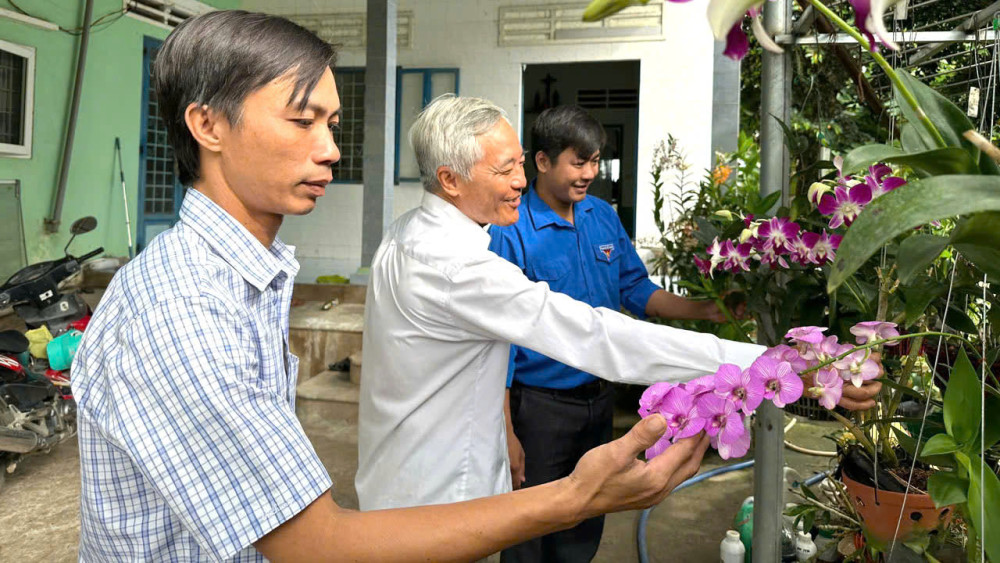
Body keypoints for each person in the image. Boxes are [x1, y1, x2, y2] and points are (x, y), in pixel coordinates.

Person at [70, 11, 714, 562]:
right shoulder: (184, 307)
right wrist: (574, 497)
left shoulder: (249, 281)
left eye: (333, 124)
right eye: (302, 122)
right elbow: (314, 543)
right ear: (208, 126)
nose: (330, 150)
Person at [488, 105, 883, 562]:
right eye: (579, 162)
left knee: (585, 518)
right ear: (542, 161)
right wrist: (507, 431)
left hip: (598, 400)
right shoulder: (511, 231)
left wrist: (707, 312)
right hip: (540, 408)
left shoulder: (599, 216)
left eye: (596, 161)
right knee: (530, 524)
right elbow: (500, 341)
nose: (590, 174)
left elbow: (636, 290)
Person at [356, 95, 770, 516]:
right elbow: (595, 334)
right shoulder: (459, 265)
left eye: (519, 163)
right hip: (441, 496)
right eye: (505, 169)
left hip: (412, 478)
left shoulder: (407, 231)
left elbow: (631, 291)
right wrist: (766, 364)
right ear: (450, 179)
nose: (520, 180)